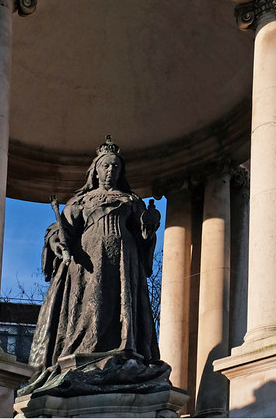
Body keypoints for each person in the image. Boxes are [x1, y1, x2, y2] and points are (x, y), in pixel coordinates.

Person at [21, 136, 167, 397]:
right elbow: (60, 230)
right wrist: (57, 243)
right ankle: (83, 351)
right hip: (89, 261)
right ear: (96, 170)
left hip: (125, 260)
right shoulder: (81, 201)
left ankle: (123, 348)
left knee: (121, 302)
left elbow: (142, 235)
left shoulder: (131, 200)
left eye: (115, 167)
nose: (111, 171)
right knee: (92, 303)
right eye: (106, 166)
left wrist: (149, 229)